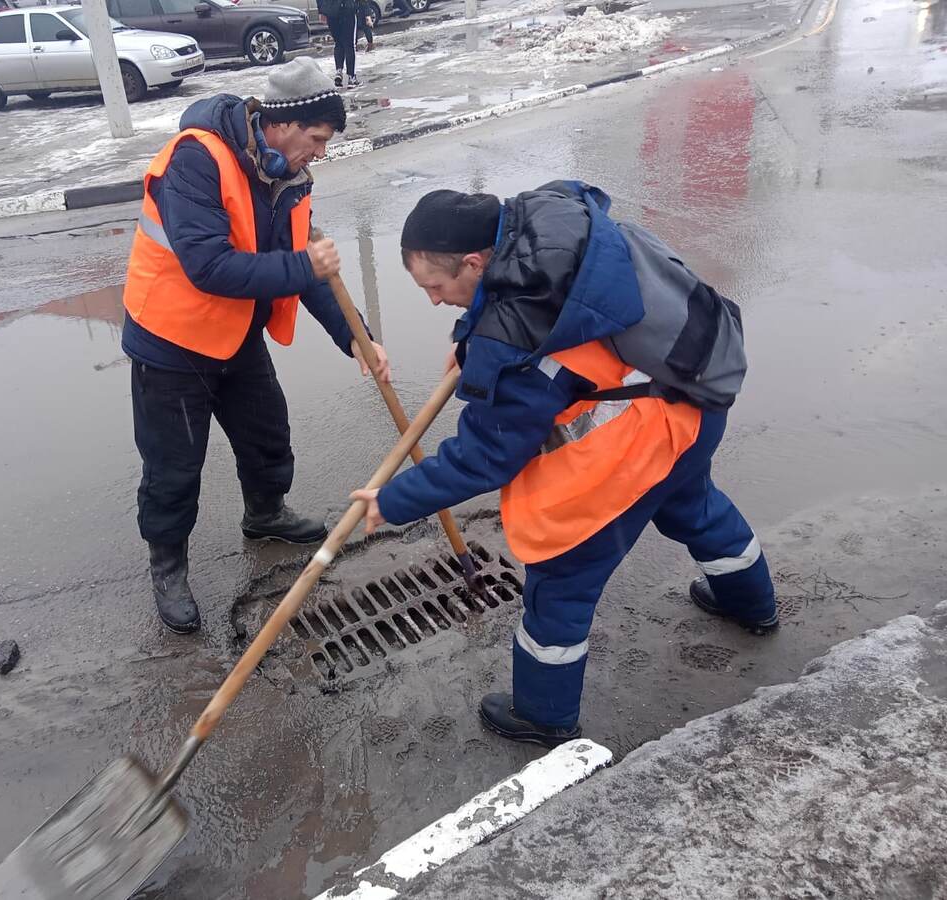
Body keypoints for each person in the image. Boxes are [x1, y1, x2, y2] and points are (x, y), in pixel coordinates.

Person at [352, 184, 777, 747]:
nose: (433, 299)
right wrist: (469, 336)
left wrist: (392, 500)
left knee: (561, 581)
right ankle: (752, 605)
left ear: (475, 261)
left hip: (642, 441)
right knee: (693, 505)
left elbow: (485, 457)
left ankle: (543, 715)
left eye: (436, 286)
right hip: (693, 401)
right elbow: (505, 303)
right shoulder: (550, 222)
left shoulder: (521, 341)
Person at [122, 57, 390, 635]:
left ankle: (265, 514)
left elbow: (307, 272)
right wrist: (303, 264)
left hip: (233, 331)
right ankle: (167, 565)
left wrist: (357, 337)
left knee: (267, 432)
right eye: (316, 139)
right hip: (170, 340)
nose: (318, 153)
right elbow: (208, 265)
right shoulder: (195, 159)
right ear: (283, 124)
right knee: (173, 467)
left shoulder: (290, 179)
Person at [318, 0, 360, 88]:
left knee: (338, 42)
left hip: (331, 11)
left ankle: (339, 72)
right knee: (349, 44)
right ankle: (351, 77)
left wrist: (321, 11)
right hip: (347, 9)